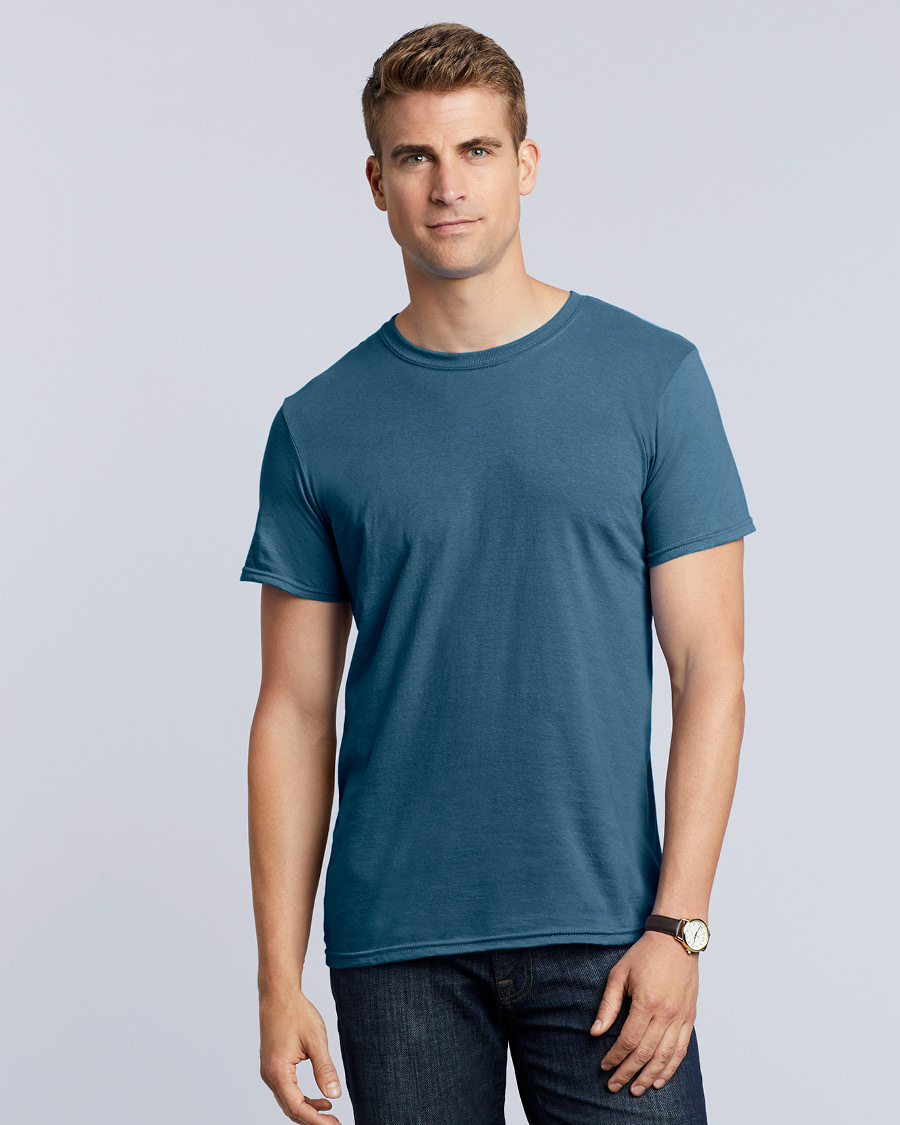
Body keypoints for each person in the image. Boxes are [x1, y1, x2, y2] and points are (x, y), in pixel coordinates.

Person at [239, 21, 755, 1125]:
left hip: (610, 932)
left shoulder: (654, 379)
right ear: (376, 183)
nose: (448, 186)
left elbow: (711, 670)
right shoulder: (319, 425)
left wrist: (680, 925)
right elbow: (293, 708)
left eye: (476, 150)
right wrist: (279, 979)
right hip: (398, 948)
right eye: (416, 157)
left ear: (525, 163)